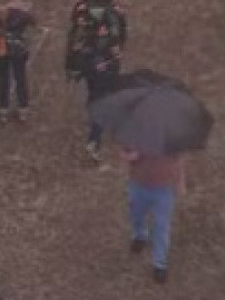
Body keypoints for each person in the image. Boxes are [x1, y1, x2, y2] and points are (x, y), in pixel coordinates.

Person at [65, 0, 127, 160]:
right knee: (102, 97)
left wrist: (70, 64)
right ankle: (94, 141)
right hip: (105, 62)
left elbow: (72, 36)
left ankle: (94, 120)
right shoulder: (115, 12)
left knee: (94, 92)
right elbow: (121, 36)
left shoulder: (80, 9)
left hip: (85, 61)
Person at [119, 144, 185, 284]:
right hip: (138, 184)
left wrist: (180, 182)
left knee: (161, 224)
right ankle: (140, 235)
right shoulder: (136, 131)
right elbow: (124, 153)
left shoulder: (172, 136)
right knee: (136, 214)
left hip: (164, 188)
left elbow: (179, 158)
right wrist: (131, 156)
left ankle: (159, 264)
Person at [0, 0, 37, 122]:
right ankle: (23, 108)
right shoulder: (23, 11)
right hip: (18, 48)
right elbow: (34, 22)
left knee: (3, 78)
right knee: (20, 78)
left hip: (0, 47)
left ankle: (3, 109)